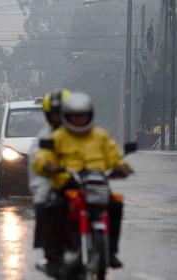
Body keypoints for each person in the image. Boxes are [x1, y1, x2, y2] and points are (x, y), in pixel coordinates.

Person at [32, 92, 133, 275]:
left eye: (83, 115)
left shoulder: (101, 136)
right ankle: (52, 258)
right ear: (67, 116)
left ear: (90, 115)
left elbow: (114, 156)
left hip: (96, 186)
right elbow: (42, 157)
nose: (79, 120)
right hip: (68, 185)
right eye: (75, 116)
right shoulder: (58, 136)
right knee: (53, 208)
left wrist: (122, 166)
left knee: (116, 205)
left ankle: (111, 252)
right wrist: (48, 165)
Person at [28, 90, 70, 271]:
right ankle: (49, 252)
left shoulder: (83, 132)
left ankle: (105, 246)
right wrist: (47, 167)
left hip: (79, 178)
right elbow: (38, 158)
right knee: (43, 203)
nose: (59, 117)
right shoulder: (43, 138)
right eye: (55, 113)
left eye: (62, 112)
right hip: (50, 181)